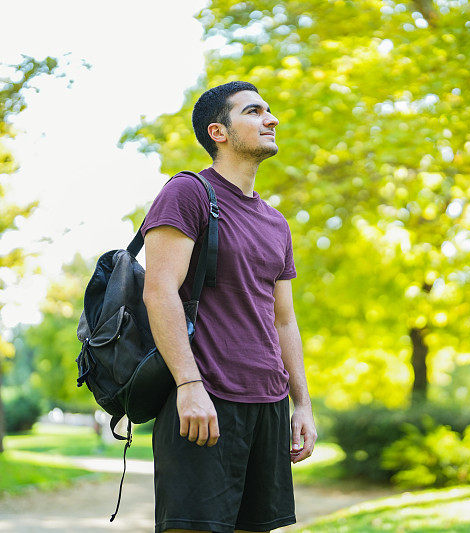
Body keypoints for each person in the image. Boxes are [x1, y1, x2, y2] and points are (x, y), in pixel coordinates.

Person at [141, 81, 317, 533]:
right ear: (218, 131)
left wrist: (302, 405)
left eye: (269, 110)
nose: (271, 119)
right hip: (206, 400)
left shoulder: (275, 221)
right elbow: (159, 291)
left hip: (269, 405)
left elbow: (284, 320)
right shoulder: (188, 194)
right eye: (255, 111)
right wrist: (188, 385)